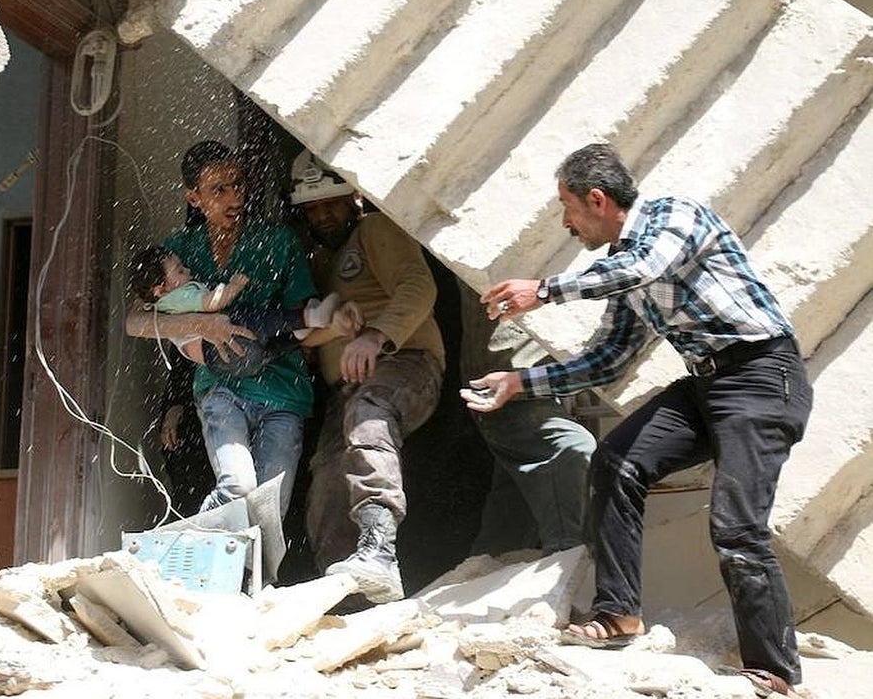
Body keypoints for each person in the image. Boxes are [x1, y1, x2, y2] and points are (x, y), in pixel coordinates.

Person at [464, 143, 812, 698]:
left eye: (567, 207)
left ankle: (775, 674)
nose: (565, 222)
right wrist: (519, 383)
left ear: (597, 200)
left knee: (736, 527)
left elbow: (644, 267)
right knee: (618, 462)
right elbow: (609, 359)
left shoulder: (676, 217)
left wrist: (546, 290)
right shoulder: (622, 274)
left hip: (761, 375)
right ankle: (618, 613)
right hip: (707, 384)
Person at [126, 141, 317, 516]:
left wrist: (334, 321)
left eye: (238, 185)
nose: (234, 198)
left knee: (269, 511)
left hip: (283, 390)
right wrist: (203, 324)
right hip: (220, 388)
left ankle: (258, 578)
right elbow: (134, 322)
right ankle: (201, 537)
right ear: (194, 198)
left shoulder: (278, 242)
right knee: (238, 489)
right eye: (219, 190)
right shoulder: (178, 250)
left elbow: (309, 315)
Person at [292, 149, 445, 603]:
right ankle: (347, 593)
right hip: (349, 388)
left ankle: (378, 551)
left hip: (407, 363)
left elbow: (420, 286)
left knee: (368, 415)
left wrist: (376, 337)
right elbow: (304, 338)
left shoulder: (374, 230)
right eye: (313, 208)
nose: (322, 215)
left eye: (331, 203)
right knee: (328, 472)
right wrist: (335, 326)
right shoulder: (319, 261)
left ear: (355, 198)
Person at [459, 290, 596, 556]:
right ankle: (565, 561)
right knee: (571, 450)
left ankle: (487, 568)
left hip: (556, 385)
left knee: (517, 504)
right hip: (506, 388)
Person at [127, 244, 360, 377]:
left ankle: (296, 336)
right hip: (219, 345)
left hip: (227, 363)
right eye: (179, 271)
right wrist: (233, 287)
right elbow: (212, 303)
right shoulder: (179, 297)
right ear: (160, 289)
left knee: (266, 351)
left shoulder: (157, 306)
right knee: (255, 320)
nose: (187, 270)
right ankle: (308, 318)